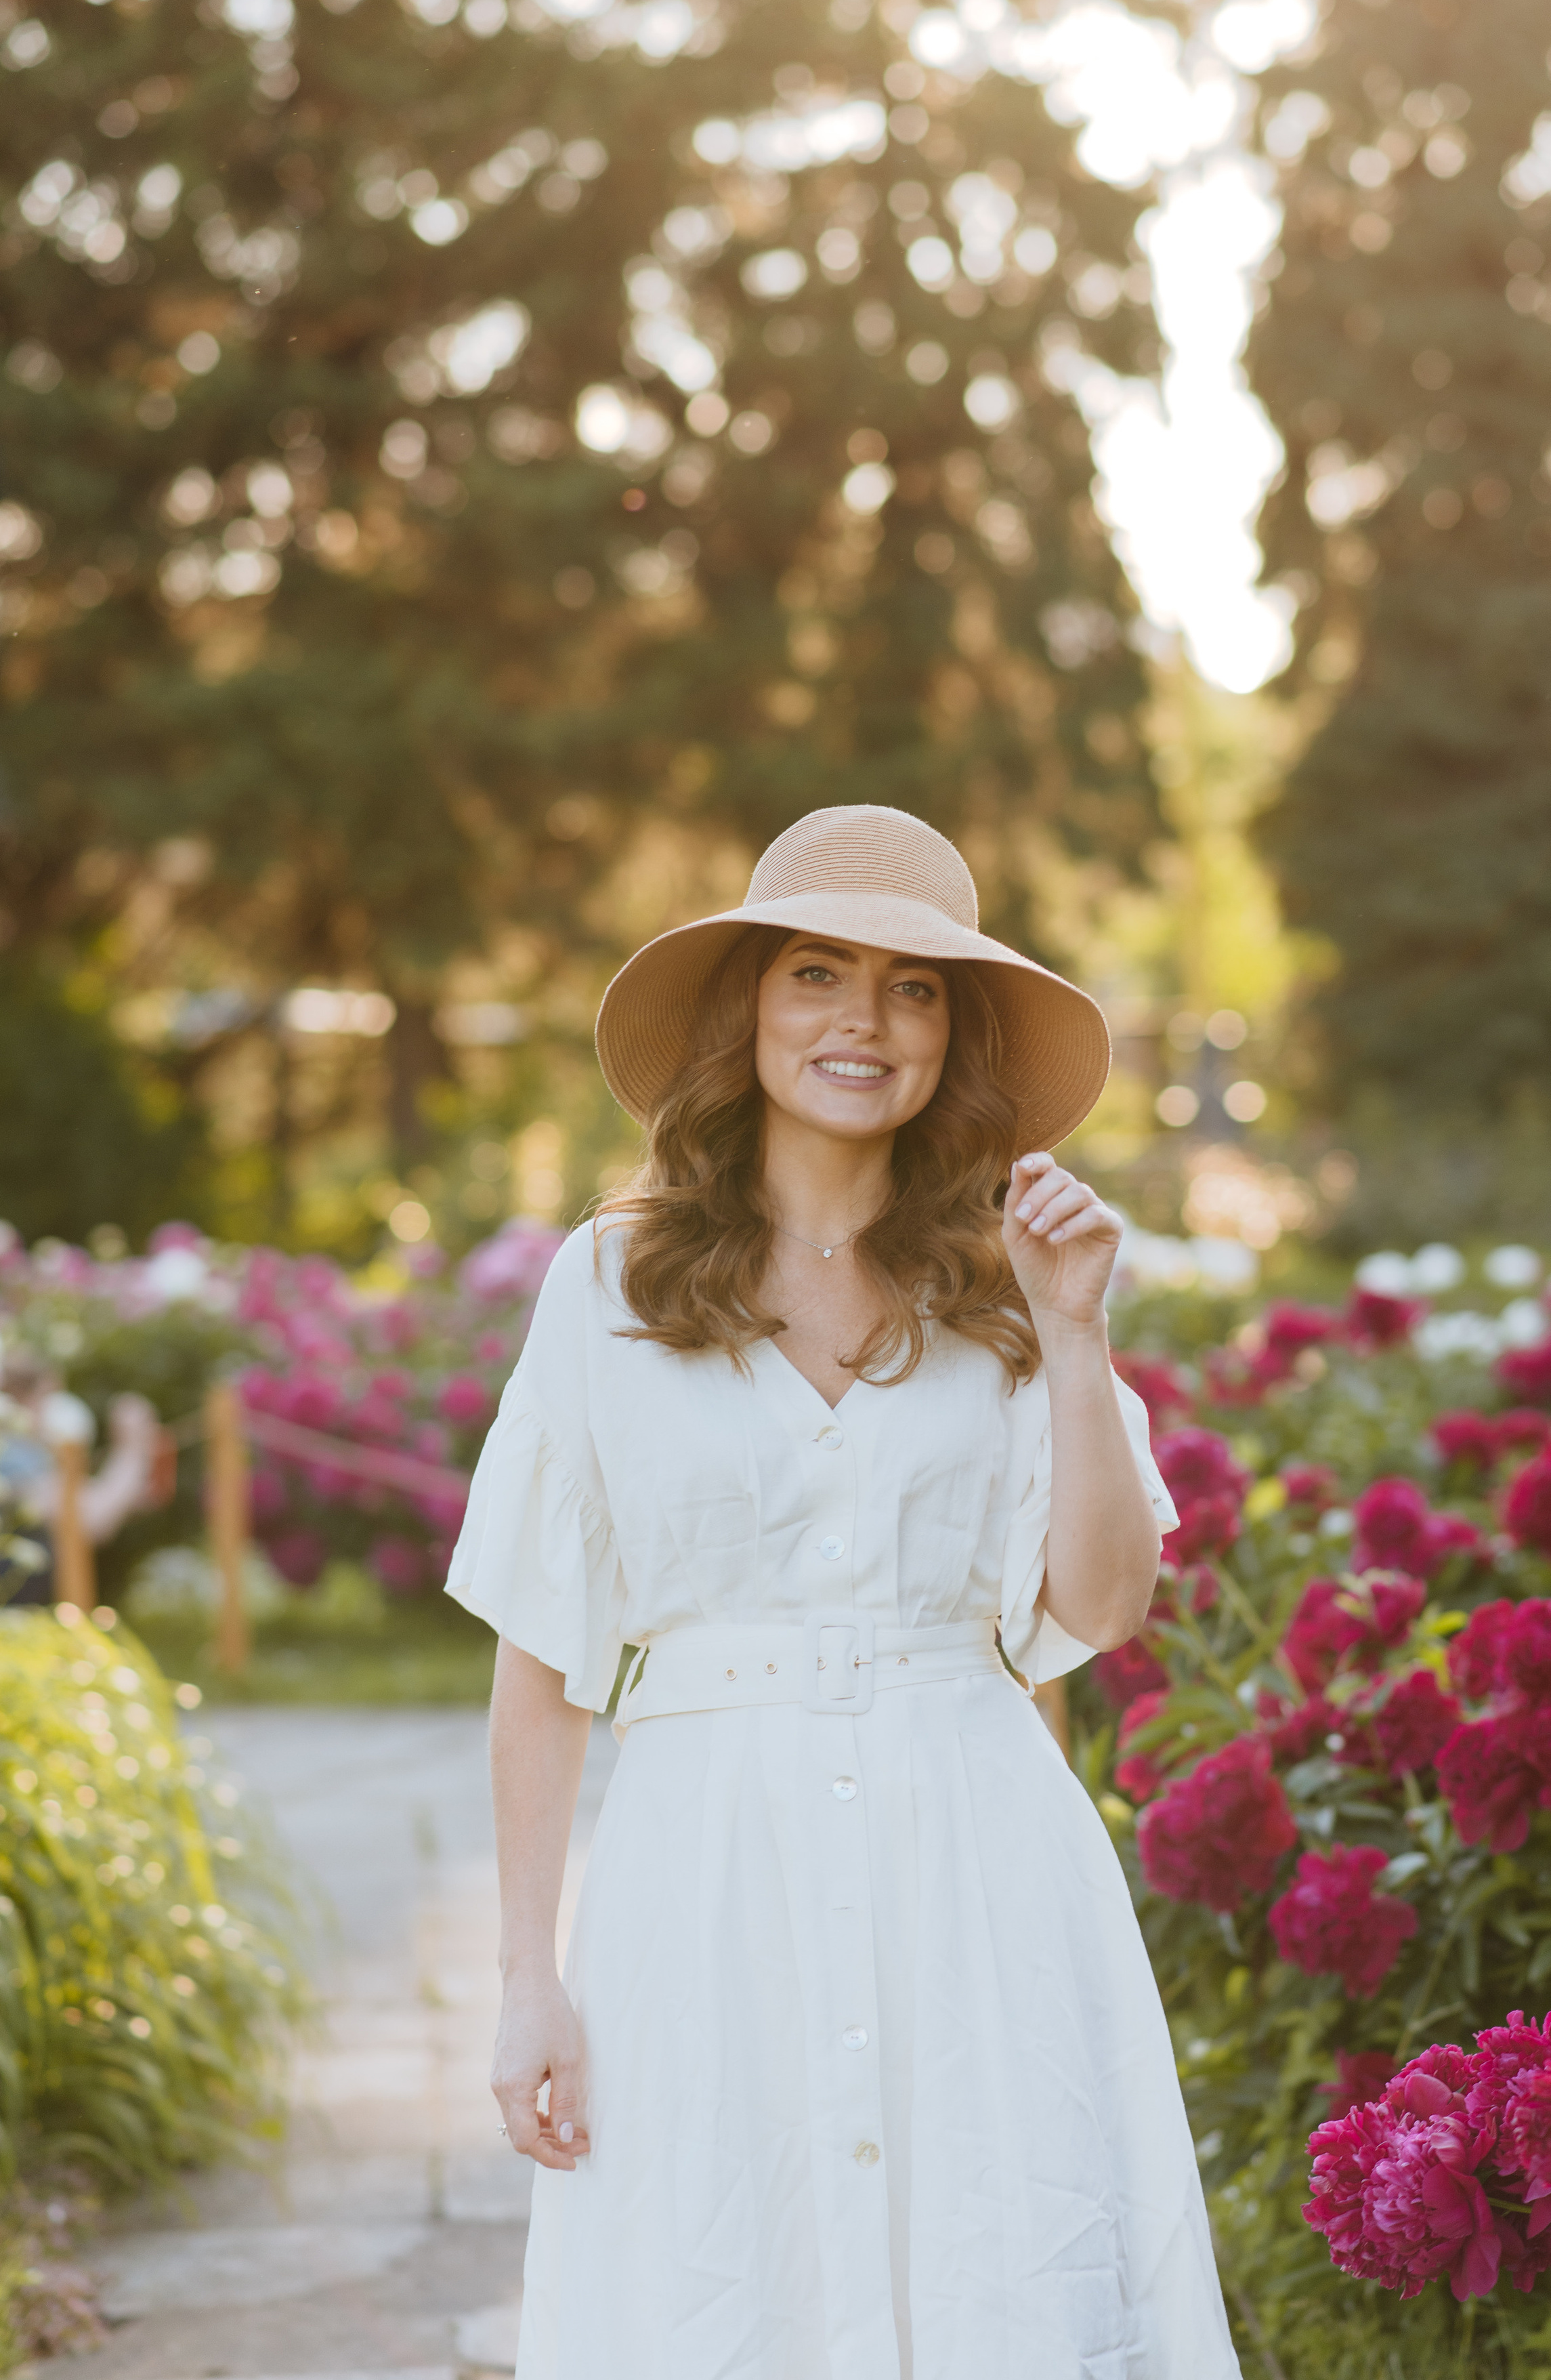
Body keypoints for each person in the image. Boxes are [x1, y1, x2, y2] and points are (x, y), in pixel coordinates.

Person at [446, 805, 1242, 2379]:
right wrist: (527, 1971)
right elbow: (541, 1657)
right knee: (721, 2276)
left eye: (911, 986)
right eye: (817, 973)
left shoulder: (1015, 1278)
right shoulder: (603, 1285)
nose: (860, 1022)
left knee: (990, 2267)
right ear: (747, 1004)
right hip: (704, 1871)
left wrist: (1075, 1330)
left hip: (976, 1869)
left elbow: (1100, 1596)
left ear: (954, 1033)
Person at [0, 1346, 163, 1605]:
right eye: (48, 1397)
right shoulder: (11, 1452)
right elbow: (89, 1518)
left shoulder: (26, 1452)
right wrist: (132, 1451)